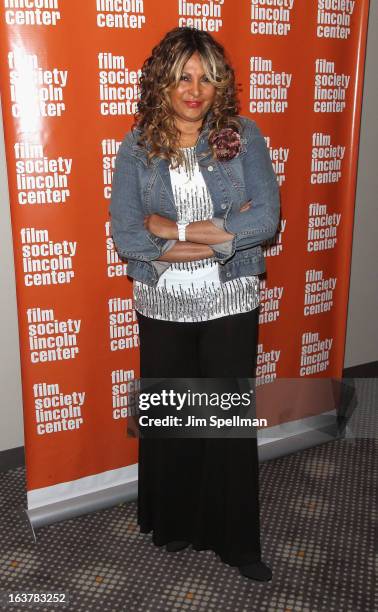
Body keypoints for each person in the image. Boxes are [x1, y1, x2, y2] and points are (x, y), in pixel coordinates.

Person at [110, 27, 280, 581]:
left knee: (227, 421)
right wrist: (208, 240)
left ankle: (237, 543)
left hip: (230, 295)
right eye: (184, 75)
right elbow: (130, 235)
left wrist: (176, 229)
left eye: (207, 76)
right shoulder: (137, 146)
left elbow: (265, 221)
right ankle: (176, 523)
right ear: (163, 80)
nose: (195, 88)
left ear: (220, 84)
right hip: (162, 302)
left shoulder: (242, 135)